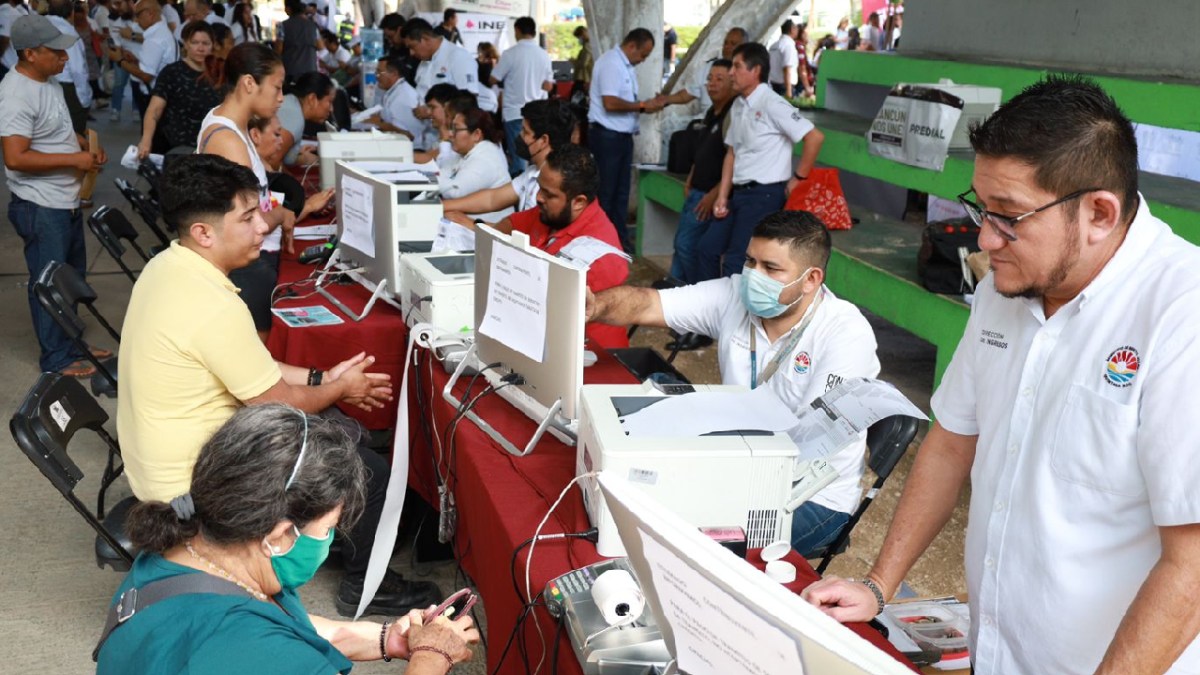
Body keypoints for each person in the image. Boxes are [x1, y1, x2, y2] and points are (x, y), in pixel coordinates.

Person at [803, 75, 1200, 674]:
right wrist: (880, 585)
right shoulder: (1005, 287)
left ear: (1098, 213)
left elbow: (1192, 563)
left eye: (1010, 216)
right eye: (982, 210)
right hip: (1001, 654)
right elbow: (951, 441)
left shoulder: (1180, 313)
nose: (986, 240)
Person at [119, 154, 442, 618]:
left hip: (166, 461)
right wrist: (339, 388)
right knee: (367, 468)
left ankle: (335, 535)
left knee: (343, 427)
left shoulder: (169, 267)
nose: (262, 227)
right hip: (189, 485)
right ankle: (368, 586)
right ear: (203, 232)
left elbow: (258, 364)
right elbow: (277, 403)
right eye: (247, 218)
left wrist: (324, 380)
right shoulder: (210, 303)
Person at [97, 404, 480, 674]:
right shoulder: (254, 650)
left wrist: (387, 638)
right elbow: (268, 646)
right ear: (279, 536)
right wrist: (431, 657)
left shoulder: (183, 552)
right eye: (327, 528)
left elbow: (295, 626)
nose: (329, 539)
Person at [588, 210, 879, 553]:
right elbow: (647, 304)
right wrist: (595, 306)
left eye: (771, 268)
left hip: (806, 496)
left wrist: (710, 466)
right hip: (734, 457)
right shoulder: (735, 295)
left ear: (811, 279)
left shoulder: (846, 334)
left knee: (680, 538)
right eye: (750, 261)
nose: (753, 276)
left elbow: (817, 439)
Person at [2, 13, 107, 379]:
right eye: (56, 53)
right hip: (40, 205)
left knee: (70, 279)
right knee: (49, 285)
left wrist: (82, 145)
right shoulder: (15, 94)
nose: (64, 59)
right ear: (30, 53)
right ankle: (56, 359)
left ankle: (71, 344)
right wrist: (74, 158)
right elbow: (15, 158)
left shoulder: (47, 81)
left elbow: (53, 129)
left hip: (65, 199)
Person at [473, 145, 630, 350]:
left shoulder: (601, 257)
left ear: (579, 202)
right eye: (539, 187)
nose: (538, 197)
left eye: (548, 194)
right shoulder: (552, 213)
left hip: (588, 358)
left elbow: (553, 321)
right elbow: (510, 224)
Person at [701, 42, 824, 279]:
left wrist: (799, 178)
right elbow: (732, 153)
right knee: (706, 248)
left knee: (737, 261)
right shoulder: (738, 104)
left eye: (737, 66)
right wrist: (723, 195)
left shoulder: (772, 103)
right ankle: (710, 310)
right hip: (738, 193)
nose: (731, 73)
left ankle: (733, 314)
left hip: (763, 195)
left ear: (756, 70)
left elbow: (814, 138)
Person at [197, 42, 294, 338]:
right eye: (276, 88)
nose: (281, 98)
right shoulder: (228, 140)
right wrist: (285, 214)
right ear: (249, 83)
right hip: (246, 265)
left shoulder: (233, 127)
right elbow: (253, 219)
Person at [587, 27, 663, 252]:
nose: (643, 60)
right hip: (607, 137)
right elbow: (610, 103)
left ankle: (617, 241)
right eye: (643, 54)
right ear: (631, 46)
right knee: (607, 193)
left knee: (620, 194)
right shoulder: (611, 63)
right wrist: (641, 105)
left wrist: (643, 107)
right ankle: (600, 242)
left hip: (621, 136)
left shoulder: (624, 65)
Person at [441, 98, 575, 223]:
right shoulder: (531, 173)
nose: (520, 136)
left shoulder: (555, 183)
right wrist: (441, 206)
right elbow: (492, 199)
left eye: (525, 132)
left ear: (543, 141)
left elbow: (527, 231)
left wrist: (474, 225)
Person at [669, 58, 735, 293]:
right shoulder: (711, 112)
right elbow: (701, 153)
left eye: (719, 79)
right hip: (696, 190)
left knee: (687, 246)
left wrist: (715, 194)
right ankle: (675, 299)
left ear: (733, 82)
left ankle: (696, 295)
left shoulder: (733, 114)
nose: (712, 84)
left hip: (710, 194)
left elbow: (735, 160)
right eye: (710, 79)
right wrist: (689, 180)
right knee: (681, 246)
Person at [137, 20, 221, 156]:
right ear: (186, 44)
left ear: (212, 46)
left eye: (205, 43)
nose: (200, 48)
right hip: (178, 148)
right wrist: (146, 140)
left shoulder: (219, 74)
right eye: (195, 42)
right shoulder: (172, 73)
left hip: (212, 146)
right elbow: (154, 110)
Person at [489, 15, 551, 177]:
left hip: (515, 112)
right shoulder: (544, 55)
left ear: (517, 30)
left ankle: (519, 199)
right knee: (537, 159)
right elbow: (549, 85)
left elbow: (493, 78)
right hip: (538, 113)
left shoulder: (510, 54)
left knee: (518, 160)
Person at [247, 114, 333, 219]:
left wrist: (308, 205)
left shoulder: (264, 165)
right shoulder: (250, 173)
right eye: (277, 134)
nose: (282, 141)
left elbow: (276, 204)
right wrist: (309, 206)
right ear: (255, 135)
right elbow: (266, 219)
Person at [438, 107, 511, 223]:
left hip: (488, 231)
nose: (450, 134)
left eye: (456, 129)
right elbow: (440, 173)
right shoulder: (463, 152)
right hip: (464, 223)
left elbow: (455, 192)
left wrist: (439, 180)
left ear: (477, 134)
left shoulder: (487, 157)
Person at [659, 26, 745, 114]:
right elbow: (686, 95)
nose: (727, 46)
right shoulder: (708, 68)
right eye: (726, 43)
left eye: (733, 44)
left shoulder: (747, 73)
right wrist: (664, 100)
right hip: (706, 120)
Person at [115, 0, 176, 118]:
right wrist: (135, 61)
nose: (136, 21)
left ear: (150, 14)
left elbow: (146, 76)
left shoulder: (154, 39)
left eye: (138, 15)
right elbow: (152, 64)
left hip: (154, 95)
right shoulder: (161, 31)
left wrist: (120, 61)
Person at [46, 0, 92, 134]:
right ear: (71, 12)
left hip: (42, 82)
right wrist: (84, 99)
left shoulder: (39, 25)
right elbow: (78, 70)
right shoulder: (68, 33)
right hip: (66, 88)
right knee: (72, 133)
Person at [277, 71, 333, 166]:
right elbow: (272, 160)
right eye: (329, 101)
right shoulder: (295, 117)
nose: (331, 109)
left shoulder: (291, 102)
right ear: (312, 99)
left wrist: (296, 154)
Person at [368, 54, 421, 140]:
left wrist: (378, 123)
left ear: (394, 74)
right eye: (376, 72)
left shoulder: (404, 96)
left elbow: (409, 135)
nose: (376, 76)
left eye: (379, 72)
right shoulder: (393, 91)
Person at [104, 0, 138, 121]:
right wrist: (123, 54)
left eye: (121, 4)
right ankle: (115, 109)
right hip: (122, 58)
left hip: (139, 59)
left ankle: (136, 109)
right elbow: (115, 44)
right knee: (118, 83)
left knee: (137, 84)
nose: (119, 8)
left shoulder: (142, 21)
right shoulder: (117, 23)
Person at [275, 0, 317, 82]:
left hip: (291, 70)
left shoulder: (282, 25)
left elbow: (278, 50)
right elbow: (320, 46)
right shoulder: (313, 26)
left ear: (288, 9)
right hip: (310, 69)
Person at [768, 19, 799, 99]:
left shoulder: (774, 45)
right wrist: (789, 91)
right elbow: (787, 68)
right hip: (784, 87)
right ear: (792, 29)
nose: (797, 30)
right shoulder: (788, 46)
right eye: (796, 28)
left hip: (773, 85)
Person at [570, 25, 591, 96]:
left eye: (578, 37)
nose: (578, 39)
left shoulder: (587, 47)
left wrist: (573, 61)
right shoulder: (589, 46)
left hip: (583, 79)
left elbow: (583, 63)